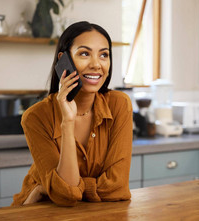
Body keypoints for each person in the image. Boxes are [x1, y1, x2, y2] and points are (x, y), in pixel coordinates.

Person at [11, 21, 133, 207]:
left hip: (86, 209)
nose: (96, 64)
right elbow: (66, 195)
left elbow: (117, 187)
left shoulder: (119, 104)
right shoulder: (35, 117)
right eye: (84, 53)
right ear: (63, 60)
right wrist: (67, 122)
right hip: (39, 207)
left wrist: (51, 188)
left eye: (104, 55)